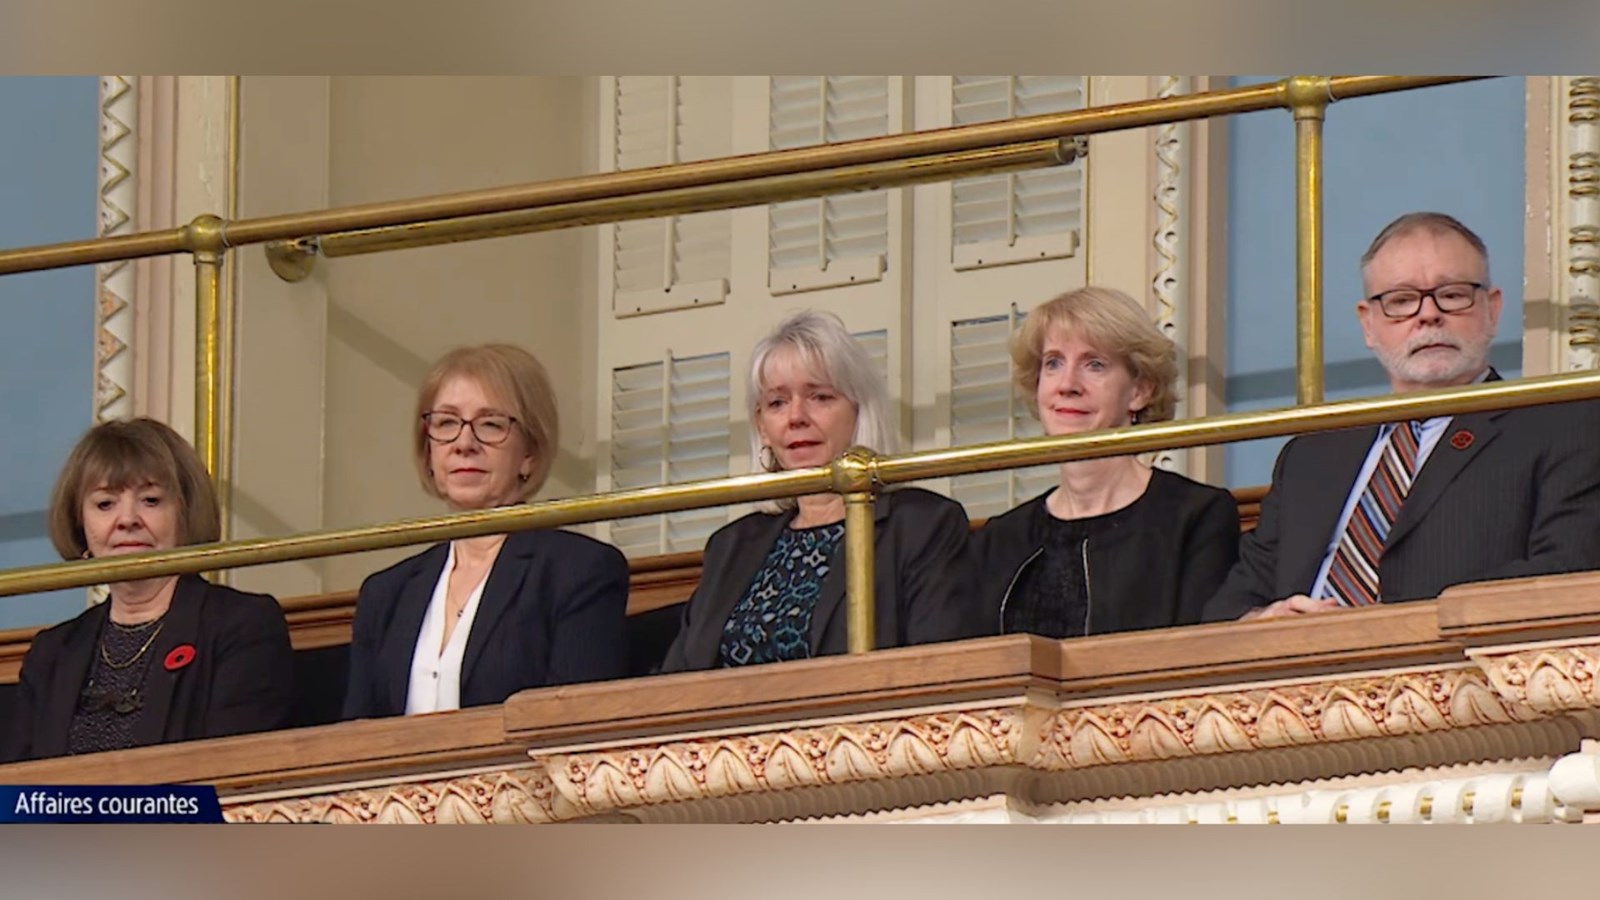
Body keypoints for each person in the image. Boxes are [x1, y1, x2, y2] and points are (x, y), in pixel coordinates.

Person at [1204, 211, 1600, 621]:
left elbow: (1567, 574)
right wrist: (1262, 622)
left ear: (1492, 309)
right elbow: (1229, 607)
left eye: (1452, 294)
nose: (1428, 314)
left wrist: (1392, 625)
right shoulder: (1311, 455)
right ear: (1368, 324)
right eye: (1401, 301)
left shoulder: (1563, 424)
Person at [658, 310, 982, 671]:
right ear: (762, 427)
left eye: (820, 397)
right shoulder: (730, 546)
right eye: (777, 403)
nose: (796, 417)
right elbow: (675, 682)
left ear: (859, 413)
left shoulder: (922, 526)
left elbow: (942, 673)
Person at [343, 344, 629, 719]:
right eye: (446, 424)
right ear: (429, 451)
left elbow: (573, 728)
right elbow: (353, 740)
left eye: (490, 424)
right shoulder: (385, 594)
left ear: (529, 452)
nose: (464, 444)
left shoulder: (578, 572)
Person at [2, 418, 293, 762]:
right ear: (81, 524)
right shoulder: (53, 653)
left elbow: (236, 779)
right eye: (105, 504)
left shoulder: (242, 626)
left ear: (185, 514)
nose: (127, 520)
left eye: (151, 500)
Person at [971, 287, 1239, 638]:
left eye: (1094, 364)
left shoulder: (1197, 516)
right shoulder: (999, 538)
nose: (1067, 384)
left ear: (1139, 391)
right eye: (1053, 363)